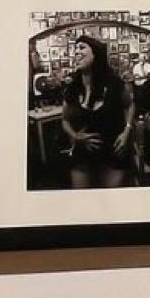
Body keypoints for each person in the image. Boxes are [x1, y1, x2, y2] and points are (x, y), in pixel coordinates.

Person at [61, 35, 135, 188]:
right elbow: (65, 119)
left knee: (111, 203)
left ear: (96, 54)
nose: (76, 52)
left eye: (82, 47)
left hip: (112, 153)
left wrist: (127, 131)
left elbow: (130, 105)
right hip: (82, 156)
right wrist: (75, 136)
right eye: (75, 49)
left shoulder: (114, 84)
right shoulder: (72, 89)